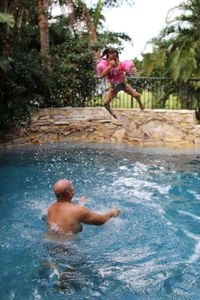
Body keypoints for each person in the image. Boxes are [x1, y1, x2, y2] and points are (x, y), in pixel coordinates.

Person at [47, 179, 121, 235]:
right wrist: (111, 213)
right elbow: (101, 220)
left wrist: (80, 203)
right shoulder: (78, 210)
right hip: (67, 249)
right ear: (70, 193)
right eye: (72, 187)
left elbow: (69, 215)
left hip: (50, 244)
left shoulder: (50, 208)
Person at [97, 48, 145, 119]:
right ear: (107, 60)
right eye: (111, 60)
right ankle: (113, 115)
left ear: (118, 58)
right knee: (105, 103)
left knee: (136, 95)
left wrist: (133, 70)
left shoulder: (121, 65)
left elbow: (129, 71)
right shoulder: (106, 66)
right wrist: (110, 66)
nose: (114, 62)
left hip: (123, 85)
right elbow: (101, 76)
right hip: (113, 88)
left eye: (115, 59)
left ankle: (141, 104)